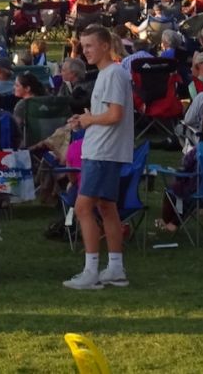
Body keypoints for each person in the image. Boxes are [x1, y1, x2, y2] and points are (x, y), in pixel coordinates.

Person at [63, 25, 134, 290]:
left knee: (83, 208)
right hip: (103, 149)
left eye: (90, 45)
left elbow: (115, 115)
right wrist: (85, 120)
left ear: (105, 45)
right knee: (107, 207)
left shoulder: (114, 73)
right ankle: (115, 267)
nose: (85, 51)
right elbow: (107, 114)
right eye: (83, 46)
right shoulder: (109, 73)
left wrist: (89, 118)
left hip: (103, 151)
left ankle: (91, 270)